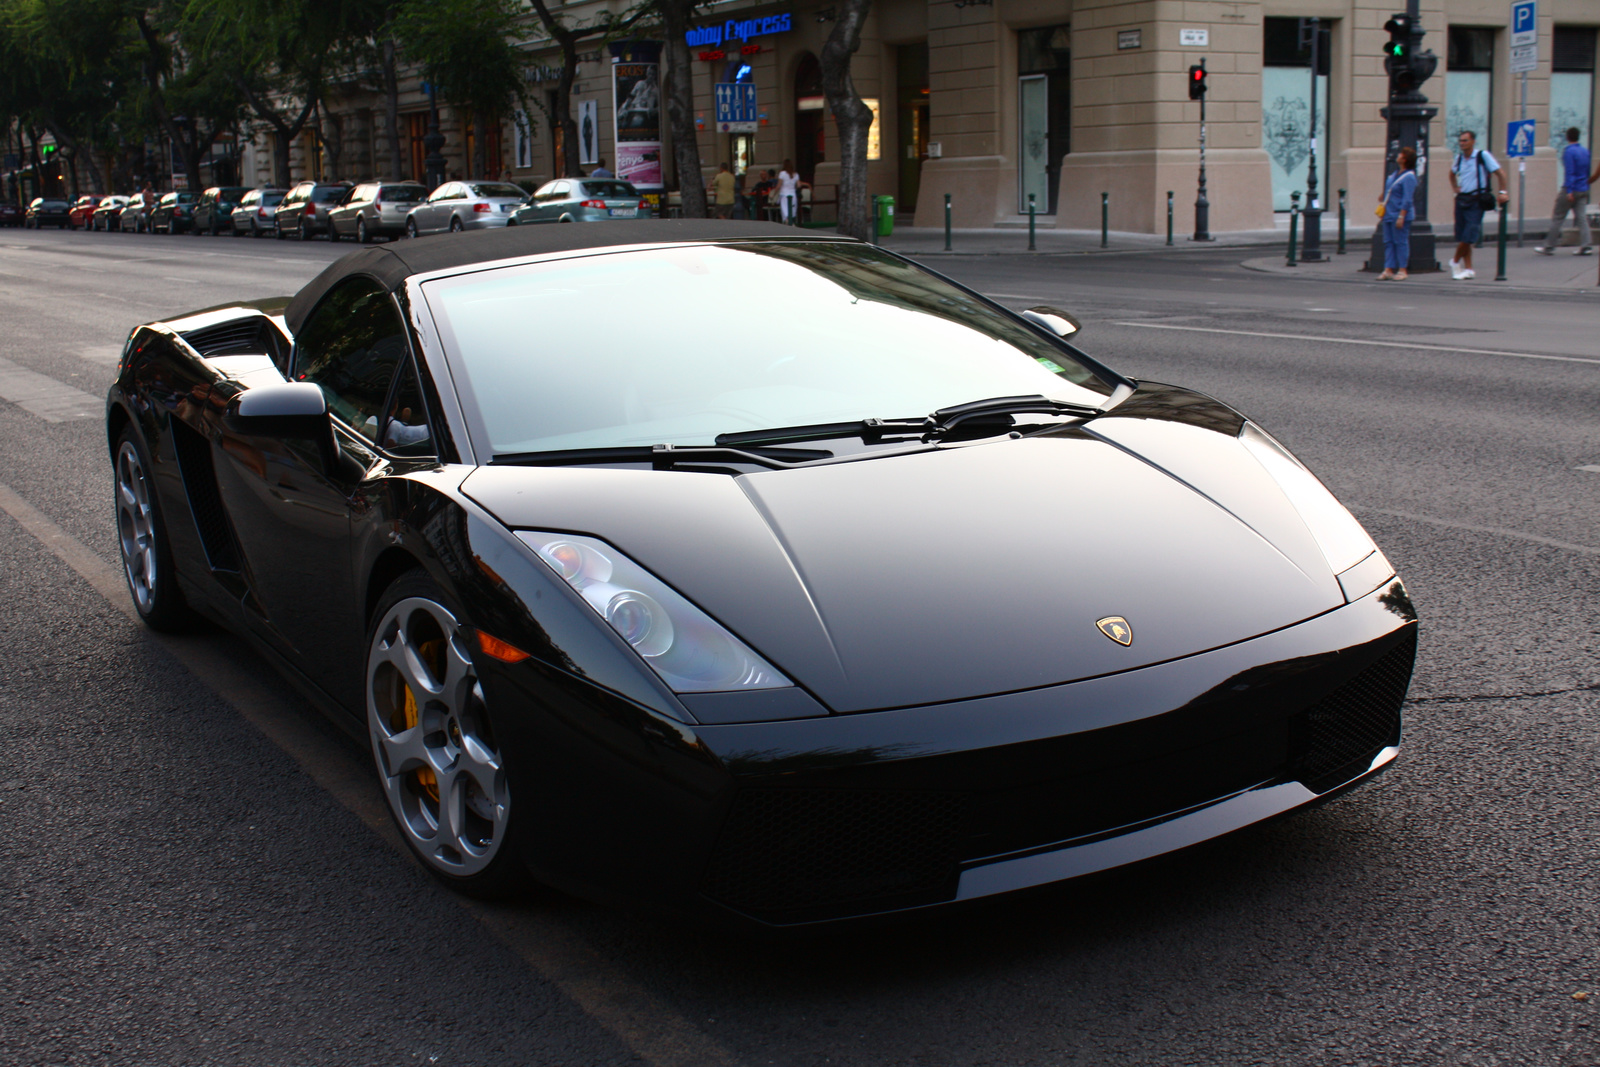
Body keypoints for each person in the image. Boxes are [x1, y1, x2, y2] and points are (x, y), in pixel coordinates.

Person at [1446, 130, 1508, 280]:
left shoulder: (1482, 155)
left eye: (1465, 140)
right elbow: (1451, 173)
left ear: (1473, 141)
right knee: (1462, 235)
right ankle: (1469, 269)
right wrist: (1455, 187)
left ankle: (1454, 262)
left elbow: (1500, 173)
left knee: (1470, 233)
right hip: (1462, 199)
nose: (1462, 143)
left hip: (1477, 199)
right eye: (1460, 141)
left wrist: (1502, 192)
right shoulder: (1459, 158)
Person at [1535, 127, 1592, 256]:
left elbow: (1570, 172)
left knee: (1558, 217)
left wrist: (1569, 191)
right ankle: (1586, 246)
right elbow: (1587, 170)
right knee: (1582, 218)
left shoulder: (1569, 152)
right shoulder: (1585, 151)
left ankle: (1549, 246)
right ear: (1578, 137)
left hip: (1571, 189)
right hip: (1583, 188)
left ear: (1568, 137)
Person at [1377, 147, 1417, 281]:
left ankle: (1402, 269)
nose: (1398, 156)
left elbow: (1407, 199)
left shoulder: (1409, 177)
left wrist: (1402, 216)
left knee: (1400, 242)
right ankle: (1388, 268)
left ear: (1405, 159)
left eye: (1401, 154)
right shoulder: (1394, 174)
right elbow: (1390, 189)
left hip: (1399, 214)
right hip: (1389, 212)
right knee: (1388, 241)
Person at [776, 160, 801, 224]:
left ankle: (789, 225)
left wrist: (774, 194)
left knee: (785, 213)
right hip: (793, 195)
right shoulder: (796, 174)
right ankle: (792, 224)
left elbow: (779, 185)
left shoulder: (782, 174)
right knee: (792, 213)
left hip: (784, 195)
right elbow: (799, 185)